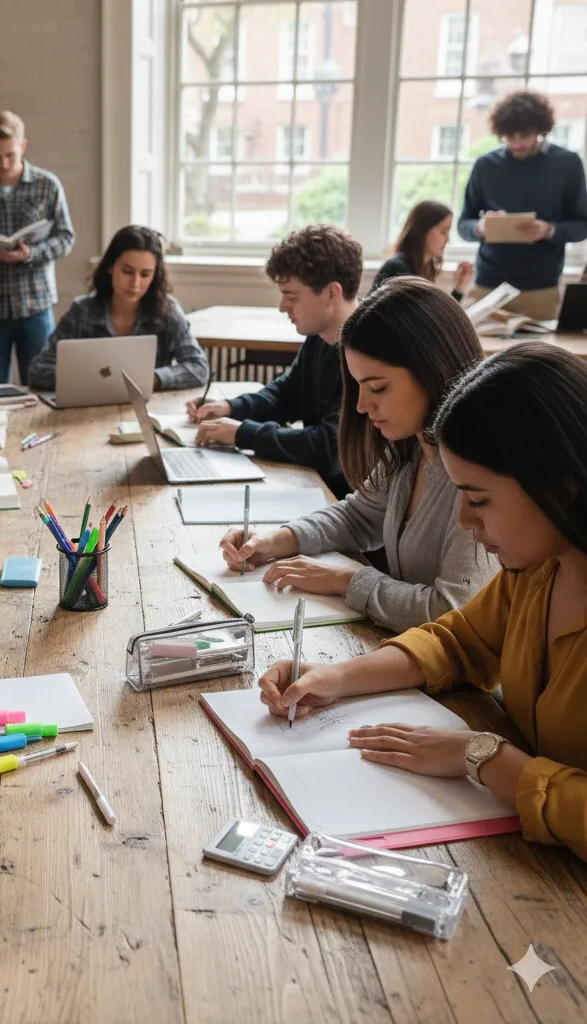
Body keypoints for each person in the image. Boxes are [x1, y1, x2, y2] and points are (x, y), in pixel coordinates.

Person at [258, 343, 587, 864]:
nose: (464, 521)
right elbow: (457, 640)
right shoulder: (540, 566)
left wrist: (480, 756)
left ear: (562, 484)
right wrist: (335, 676)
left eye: (479, 499)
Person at [219, 277, 496, 632]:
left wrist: (345, 581)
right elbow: (360, 516)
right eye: (359, 386)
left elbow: (453, 612)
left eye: (378, 387)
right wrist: (276, 540)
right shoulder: (411, 446)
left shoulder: (479, 474)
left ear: (432, 369)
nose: (363, 406)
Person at [187, 224, 364, 499]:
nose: (282, 306)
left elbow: (330, 448)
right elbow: (286, 394)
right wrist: (230, 408)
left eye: (291, 296)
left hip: (342, 502)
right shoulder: (321, 335)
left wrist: (242, 433)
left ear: (332, 293)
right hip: (318, 488)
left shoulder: (366, 353)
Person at [0, 110, 76, 384]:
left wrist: (31, 254)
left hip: (35, 305)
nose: (4, 163)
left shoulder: (47, 185)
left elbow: (66, 238)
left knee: (42, 387)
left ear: (22, 146)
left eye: (10, 154)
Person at [27, 225, 209, 392]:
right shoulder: (81, 311)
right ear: (110, 267)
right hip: (88, 411)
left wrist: (151, 379)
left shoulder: (168, 311)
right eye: (127, 271)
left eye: (145, 274)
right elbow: (38, 370)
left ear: (155, 275)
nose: (135, 283)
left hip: (149, 413)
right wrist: (86, 379)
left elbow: (199, 368)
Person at [458, 90, 587, 322]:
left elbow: (582, 225)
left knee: (537, 357)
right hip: (487, 286)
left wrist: (549, 230)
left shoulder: (567, 164)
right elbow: (463, 224)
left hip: (540, 290)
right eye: (509, 135)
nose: (517, 143)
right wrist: (481, 227)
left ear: (541, 130)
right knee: (474, 355)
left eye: (524, 135)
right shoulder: (486, 165)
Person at [371, 200, 473, 301]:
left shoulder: (423, 268)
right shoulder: (399, 269)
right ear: (423, 231)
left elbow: (435, 317)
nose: (448, 240)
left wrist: (459, 288)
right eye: (443, 231)